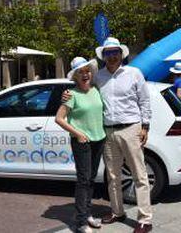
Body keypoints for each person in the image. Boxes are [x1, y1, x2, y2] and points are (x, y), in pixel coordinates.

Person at [63, 37, 153, 233]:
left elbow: (145, 102)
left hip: (131, 129)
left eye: (115, 52)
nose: (112, 56)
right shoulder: (98, 77)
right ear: (103, 56)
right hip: (107, 132)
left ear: (121, 54)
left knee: (139, 175)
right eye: (107, 53)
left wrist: (145, 126)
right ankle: (117, 211)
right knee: (112, 176)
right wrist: (66, 94)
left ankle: (145, 219)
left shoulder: (134, 73)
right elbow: (81, 85)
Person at [55, 57, 105, 233]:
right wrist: (78, 133)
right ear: (75, 76)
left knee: (91, 179)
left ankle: (88, 213)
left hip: (99, 139)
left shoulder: (96, 90)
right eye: (80, 72)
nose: (85, 74)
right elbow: (59, 119)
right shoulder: (71, 94)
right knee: (83, 181)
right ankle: (81, 221)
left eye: (87, 71)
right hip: (82, 142)